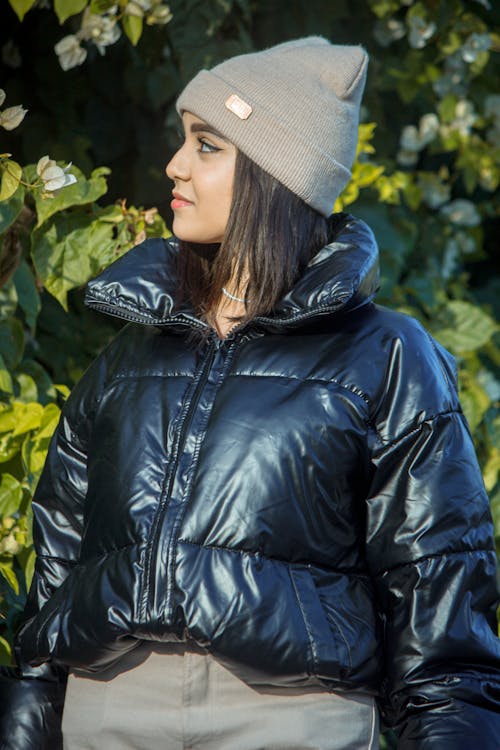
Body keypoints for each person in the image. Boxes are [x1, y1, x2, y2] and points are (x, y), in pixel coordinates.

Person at [1, 36, 500, 750]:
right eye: (183, 140)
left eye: (207, 145)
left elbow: (441, 604)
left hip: (290, 721)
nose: (174, 164)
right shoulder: (128, 354)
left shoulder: (385, 356)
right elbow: (54, 576)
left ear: (274, 176)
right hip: (105, 713)